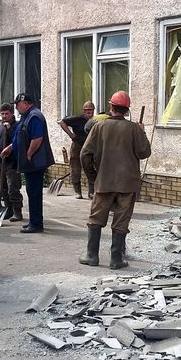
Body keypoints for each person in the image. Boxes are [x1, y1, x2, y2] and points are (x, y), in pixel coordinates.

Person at [79, 91, 151, 269]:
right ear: (127, 110)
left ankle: (91, 255)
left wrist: (94, 177)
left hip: (104, 182)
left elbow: (84, 155)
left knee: (96, 219)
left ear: (111, 106)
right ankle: (116, 259)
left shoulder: (99, 127)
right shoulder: (134, 129)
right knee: (121, 221)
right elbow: (144, 153)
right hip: (128, 184)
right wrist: (142, 132)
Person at [1, 93, 55, 233]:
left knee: (34, 192)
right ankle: (33, 222)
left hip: (35, 162)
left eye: (17, 105)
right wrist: (10, 147)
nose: (16, 108)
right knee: (31, 191)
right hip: (30, 162)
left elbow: (37, 138)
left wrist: (29, 154)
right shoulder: (26, 116)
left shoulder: (34, 116)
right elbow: (20, 136)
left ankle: (36, 224)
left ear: (25, 103)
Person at [0, 103, 23, 222]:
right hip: (1, 164)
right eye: (2, 114)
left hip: (12, 163)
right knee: (2, 188)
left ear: (12, 114)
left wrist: (9, 129)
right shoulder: (0, 128)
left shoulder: (16, 127)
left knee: (12, 188)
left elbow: (16, 141)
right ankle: (8, 210)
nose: (4, 116)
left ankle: (17, 212)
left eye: (6, 114)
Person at [58, 101, 95, 199]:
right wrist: (70, 134)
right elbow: (62, 122)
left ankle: (91, 192)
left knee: (90, 168)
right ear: (84, 111)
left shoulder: (94, 121)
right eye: (88, 112)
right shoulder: (77, 119)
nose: (90, 114)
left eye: (92, 112)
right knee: (75, 168)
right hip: (77, 145)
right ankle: (77, 192)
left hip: (89, 146)